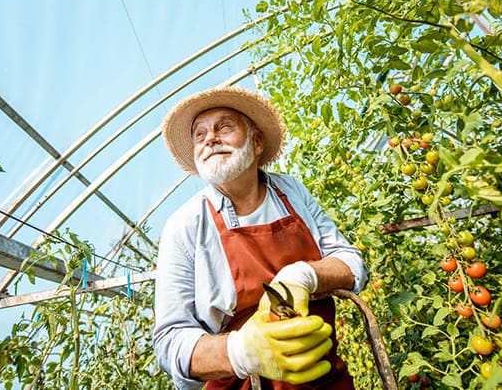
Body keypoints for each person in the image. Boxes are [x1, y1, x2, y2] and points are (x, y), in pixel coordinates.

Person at [154, 86, 368, 390]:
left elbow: (351, 264)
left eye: (224, 127)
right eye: (199, 135)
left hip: (324, 378)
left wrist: (306, 274)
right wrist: (241, 352)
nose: (210, 139)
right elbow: (169, 341)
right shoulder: (185, 225)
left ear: (256, 142)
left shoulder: (291, 193)